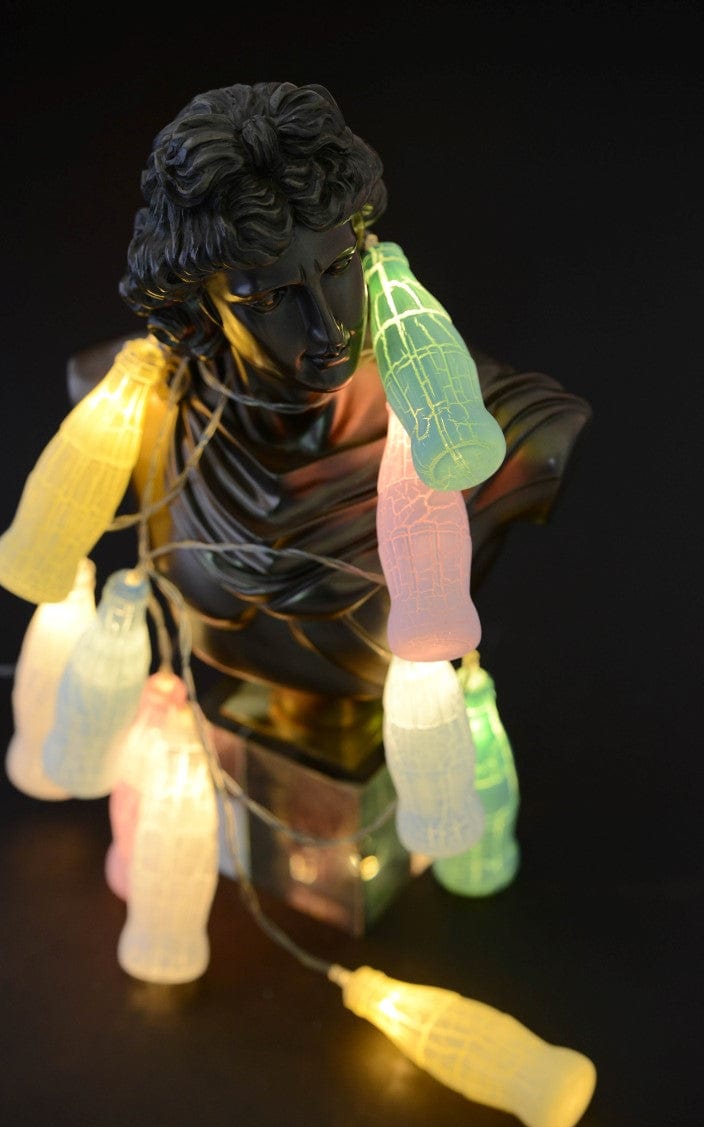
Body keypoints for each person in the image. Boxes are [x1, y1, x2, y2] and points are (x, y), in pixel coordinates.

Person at [69, 80, 591, 735]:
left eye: (340, 265)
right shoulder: (129, 407)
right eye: (269, 299)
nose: (328, 328)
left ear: (366, 241)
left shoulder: (503, 427)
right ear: (199, 308)